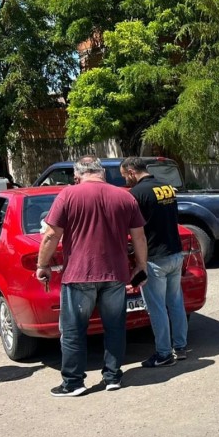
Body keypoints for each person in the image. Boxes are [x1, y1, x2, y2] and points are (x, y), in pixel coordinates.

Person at [37, 156, 148, 397]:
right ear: (103, 174)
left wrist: (42, 265)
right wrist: (141, 266)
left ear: (77, 176)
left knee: (74, 330)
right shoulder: (124, 197)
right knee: (115, 327)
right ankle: (113, 377)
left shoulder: (68, 195)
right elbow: (139, 237)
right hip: (115, 274)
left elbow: (50, 236)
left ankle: (73, 383)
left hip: (79, 275)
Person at [121, 157, 187, 367]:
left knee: (156, 307)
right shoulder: (166, 187)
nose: (125, 181)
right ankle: (181, 346)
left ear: (132, 171)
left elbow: (134, 229)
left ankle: (164, 353)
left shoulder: (137, 194)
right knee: (175, 303)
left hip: (154, 258)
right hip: (175, 252)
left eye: (125, 176)